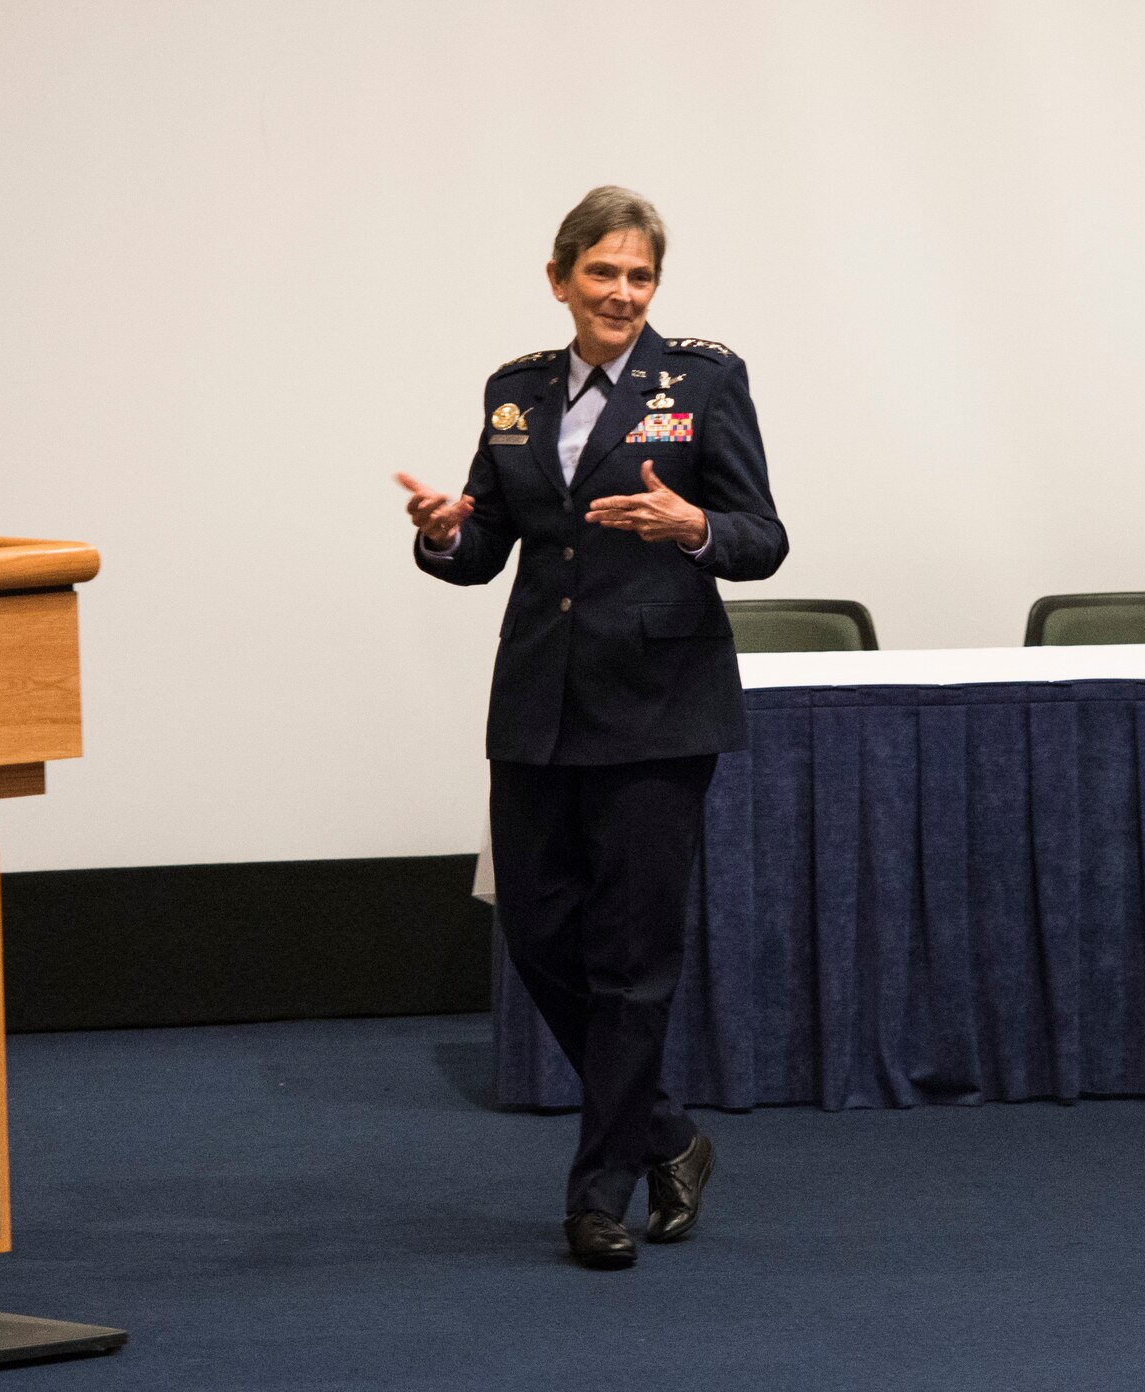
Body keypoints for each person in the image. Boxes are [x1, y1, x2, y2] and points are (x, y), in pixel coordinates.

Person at [397, 186, 786, 1269]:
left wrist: (693, 523)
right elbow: (483, 551)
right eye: (602, 273)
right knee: (534, 933)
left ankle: (597, 1190)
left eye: (639, 276)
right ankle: (662, 1131)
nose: (621, 293)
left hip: (658, 706)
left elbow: (761, 538)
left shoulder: (702, 378)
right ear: (559, 275)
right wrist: (441, 532)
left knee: (631, 956)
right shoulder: (513, 392)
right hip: (537, 702)